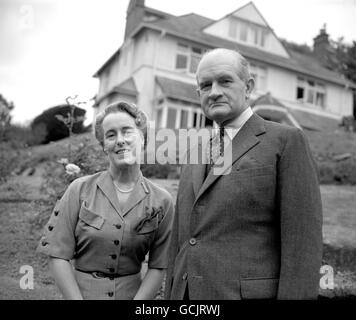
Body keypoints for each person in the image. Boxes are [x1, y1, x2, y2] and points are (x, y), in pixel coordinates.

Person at [165, 48, 323, 300]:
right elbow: (180, 241)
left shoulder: (286, 141)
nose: (214, 91)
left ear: (248, 87)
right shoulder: (194, 153)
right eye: (205, 86)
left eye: (225, 81)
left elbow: (302, 244)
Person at [37, 101, 174, 300]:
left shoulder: (162, 201)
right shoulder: (79, 190)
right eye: (111, 135)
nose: (120, 141)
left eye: (127, 132)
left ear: (143, 138)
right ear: (103, 146)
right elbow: (57, 254)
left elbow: (159, 266)